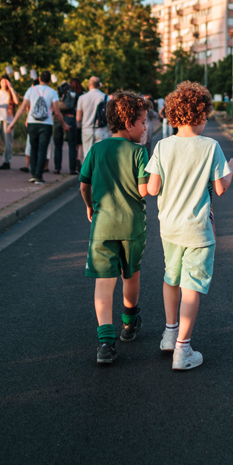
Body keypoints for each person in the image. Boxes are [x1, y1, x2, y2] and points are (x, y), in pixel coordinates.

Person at [146, 81, 233, 371]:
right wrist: (231, 171)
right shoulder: (211, 147)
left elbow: (152, 187)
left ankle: (170, 334)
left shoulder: (162, 145)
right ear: (200, 115)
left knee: (170, 277)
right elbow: (220, 189)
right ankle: (183, 351)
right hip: (198, 230)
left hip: (169, 227)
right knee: (192, 287)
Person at [79, 90, 151, 365]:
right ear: (129, 122)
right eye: (143, 122)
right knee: (129, 275)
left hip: (102, 225)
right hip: (132, 226)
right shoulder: (138, 152)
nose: (145, 128)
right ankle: (129, 323)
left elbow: (84, 185)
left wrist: (90, 205)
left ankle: (105, 343)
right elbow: (144, 191)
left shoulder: (96, 149)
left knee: (103, 280)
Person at [8, 71, 66, 184]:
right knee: (42, 150)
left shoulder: (31, 90)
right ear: (49, 81)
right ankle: (39, 176)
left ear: (39, 79)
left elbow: (22, 108)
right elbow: (57, 112)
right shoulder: (52, 92)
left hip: (32, 123)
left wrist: (12, 123)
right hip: (46, 124)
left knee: (33, 148)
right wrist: (64, 125)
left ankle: (33, 174)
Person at [0, 76, 19, 170]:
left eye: (6, 82)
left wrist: (11, 88)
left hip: (8, 120)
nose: (4, 84)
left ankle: (7, 161)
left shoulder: (11, 93)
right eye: (2, 82)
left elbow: (16, 102)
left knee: (8, 142)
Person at [77, 77, 109, 158]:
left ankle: (86, 171)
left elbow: (78, 118)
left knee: (87, 156)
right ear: (99, 85)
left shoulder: (82, 98)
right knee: (100, 156)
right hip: (101, 130)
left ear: (89, 85)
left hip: (87, 129)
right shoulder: (106, 97)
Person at [54, 79, 81, 175]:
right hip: (70, 118)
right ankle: (72, 169)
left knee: (57, 145)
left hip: (58, 118)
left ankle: (57, 168)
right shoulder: (74, 94)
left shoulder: (57, 94)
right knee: (72, 145)